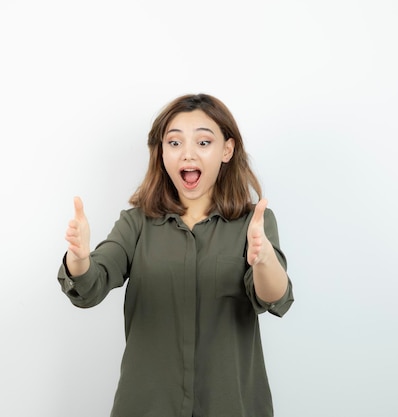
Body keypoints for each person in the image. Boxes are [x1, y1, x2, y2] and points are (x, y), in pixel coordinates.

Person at [58, 93, 294, 417]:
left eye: (203, 142)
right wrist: (80, 259)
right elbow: (89, 286)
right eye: (174, 143)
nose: (187, 154)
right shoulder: (136, 223)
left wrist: (265, 259)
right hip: (146, 406)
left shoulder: (254, 223)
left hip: (231, 406)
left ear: (227, 149)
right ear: (161, 153)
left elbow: (272, 298)